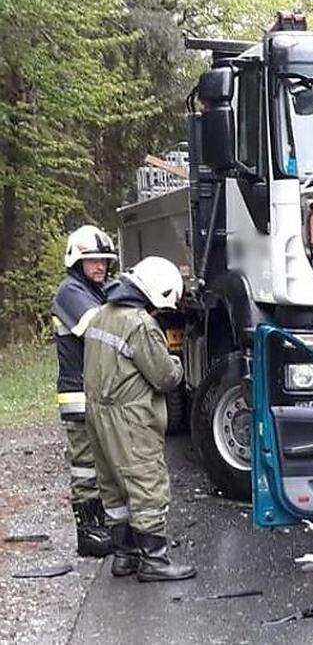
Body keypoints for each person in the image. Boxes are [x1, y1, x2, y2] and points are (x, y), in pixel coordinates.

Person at [83, 256, 196, 582]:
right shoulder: (140, 325)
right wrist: (176, 363)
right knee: (146, 483)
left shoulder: (101, 315)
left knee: (114, 485)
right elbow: (164, 378)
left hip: (98, 413)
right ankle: (155, 562)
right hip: (130, 416)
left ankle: (125, 556)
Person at [51, 225, 119, 558]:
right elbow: (101, 328)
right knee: (85, 466)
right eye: (92, 261)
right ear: (77, 261)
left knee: (101, 464)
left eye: (104, 261)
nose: (100, 267)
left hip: (95, 393)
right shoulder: (70, 292)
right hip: (79, 396)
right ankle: (88, 533)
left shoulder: (93, 290)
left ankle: (101, 526)